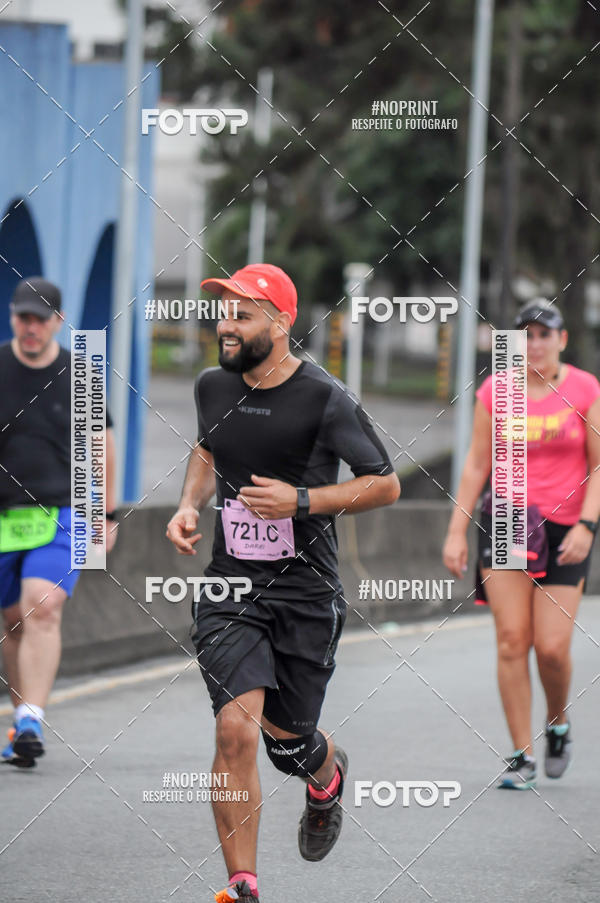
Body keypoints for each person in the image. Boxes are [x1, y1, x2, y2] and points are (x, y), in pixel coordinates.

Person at [166, 263, 400, 903]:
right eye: (224, 312)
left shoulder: (324, 396)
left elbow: (384, 484)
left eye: (242, 315)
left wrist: (301, 501)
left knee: (288, 746)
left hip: (305, 594)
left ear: (281, 322)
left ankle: (325, 777)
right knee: (234, 730)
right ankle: (242, 885)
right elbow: (208, 448)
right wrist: (188, 504)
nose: (227, 325)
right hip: (231, 590)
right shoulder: (212, 386)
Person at [443, 298, 600, 789]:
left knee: (551, 648)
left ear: (562, 339)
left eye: (544, 335)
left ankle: (557, 722)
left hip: (566, 528)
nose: (534, 344)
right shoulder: (496, 390)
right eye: (525, 336)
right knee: (513, 640)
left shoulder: (585, 388)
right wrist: (455, 531)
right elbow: (476, 463)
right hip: (508, 523)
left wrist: (587, 526)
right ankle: (520, 755)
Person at [0, 277, 118, 766]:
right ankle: (19, 722)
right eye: (23, 317)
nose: (31, 327)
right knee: (12, 620)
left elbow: (101, 447)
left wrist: (105, 515)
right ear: (12, 317)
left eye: (40, 319)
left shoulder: (79, 374)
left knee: (42, 606)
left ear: (59, 322)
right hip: (5, 515)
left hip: (64, 512)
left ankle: (32, 717)